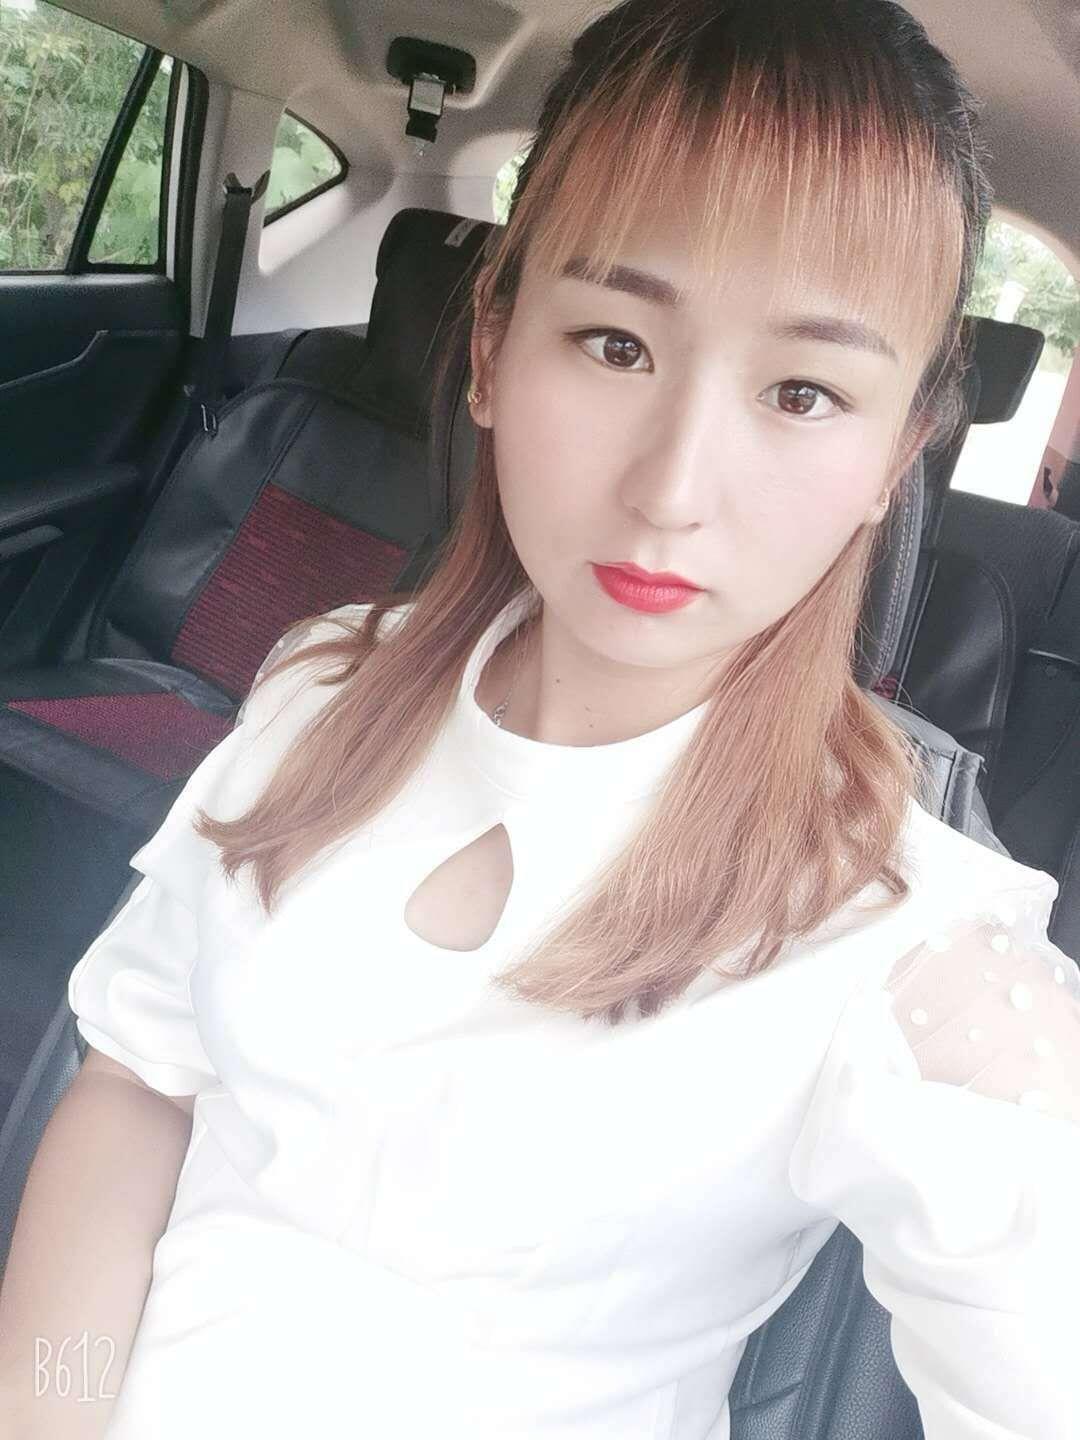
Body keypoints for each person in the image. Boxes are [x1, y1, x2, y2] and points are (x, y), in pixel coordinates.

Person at [2, 0, 1079, 1435]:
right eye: (617, 344)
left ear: (900, 454)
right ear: (493, 347)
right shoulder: (320, 685)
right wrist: (51, 1413)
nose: (673, 489)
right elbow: (139, 1083)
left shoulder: (920, 944)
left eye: (804, 391)